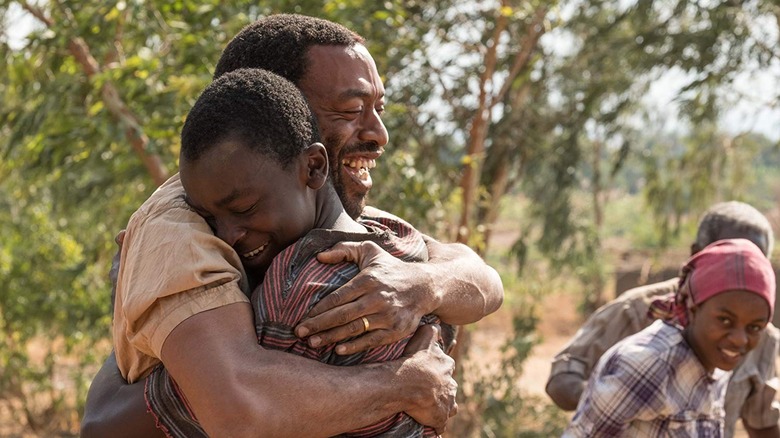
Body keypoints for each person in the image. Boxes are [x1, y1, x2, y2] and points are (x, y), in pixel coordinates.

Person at [81, 14, 503, 437]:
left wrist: (423, 284)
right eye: (351, 109)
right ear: (278, 110)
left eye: (378, 108)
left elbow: (483, 279)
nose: (379, 134)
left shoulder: (327, 216)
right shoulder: (182, 227)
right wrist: (407, 384)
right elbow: (239, 408)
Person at [546, 201, 780, 437]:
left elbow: (762, 423)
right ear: (696, 254)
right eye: (727, 258)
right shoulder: (637, 315)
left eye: (753, 263)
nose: (742, 273)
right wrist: (621, 395)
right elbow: (564, 383)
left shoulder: (744, 344)